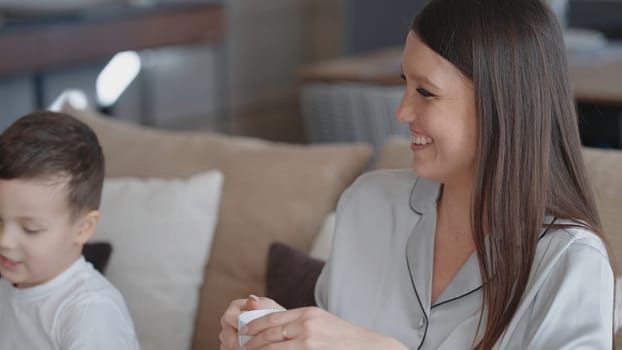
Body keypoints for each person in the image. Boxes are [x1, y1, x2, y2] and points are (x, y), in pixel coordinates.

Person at [219, 0, 615, 348]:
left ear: (503, 105)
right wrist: (271, 336)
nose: (402, 112)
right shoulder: (367, 203)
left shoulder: (569, 261)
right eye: (405, 85)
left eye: (426, 92)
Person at [0, 111, 140, 349]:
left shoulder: (90, 312)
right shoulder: (10, 281)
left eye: (30, 229)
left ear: (83, 229)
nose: (5, 241)